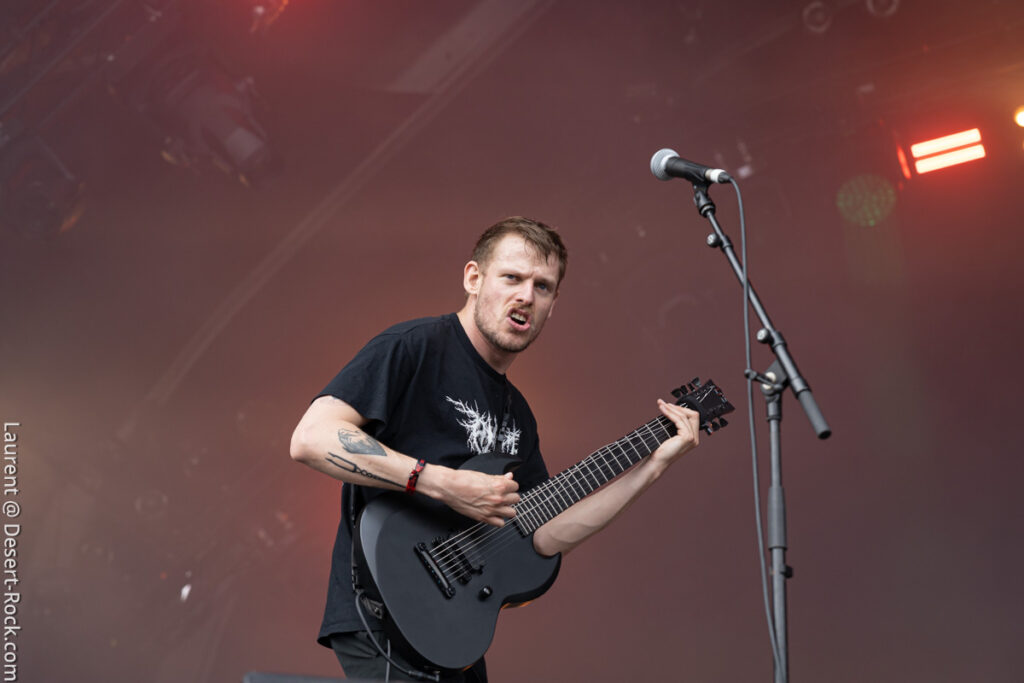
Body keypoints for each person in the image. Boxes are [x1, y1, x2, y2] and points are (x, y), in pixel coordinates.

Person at [289, 216, 701, 681]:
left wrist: (651, 468)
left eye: (542, 287)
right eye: (512, 278)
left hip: (452, 632)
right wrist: (442, 482)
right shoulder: (413, 348)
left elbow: (544, 534)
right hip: (383, 616)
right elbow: (312, 438)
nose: (526, 296)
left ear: (552, 305)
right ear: (473, 278)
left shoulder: (518, 414)